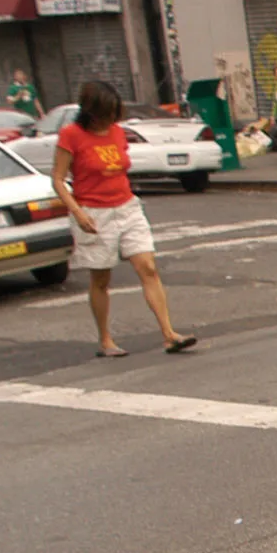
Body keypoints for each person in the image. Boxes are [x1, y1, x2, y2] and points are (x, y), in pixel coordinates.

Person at [52, 80, 197, 358]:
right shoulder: (71, 135)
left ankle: (169, 334)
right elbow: (58, 179)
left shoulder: (117, 133)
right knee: (101, 279)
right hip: (93, 212)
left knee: (148, 267)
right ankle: (105, 340)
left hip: (127, 206)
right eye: (105, 113)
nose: (110, 119)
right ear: (91, 111)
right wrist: (78, 212)